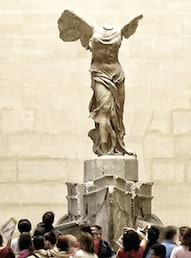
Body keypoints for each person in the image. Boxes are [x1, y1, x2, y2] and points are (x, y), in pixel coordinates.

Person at [57, 10, 143, 156]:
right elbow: (66, 33)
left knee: (117, 114)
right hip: (99, 74)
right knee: (104, 111)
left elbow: (130, 25)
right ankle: (105, 148)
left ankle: (119, 145)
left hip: (117, 75)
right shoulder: (91, 29)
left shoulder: (120, 30)